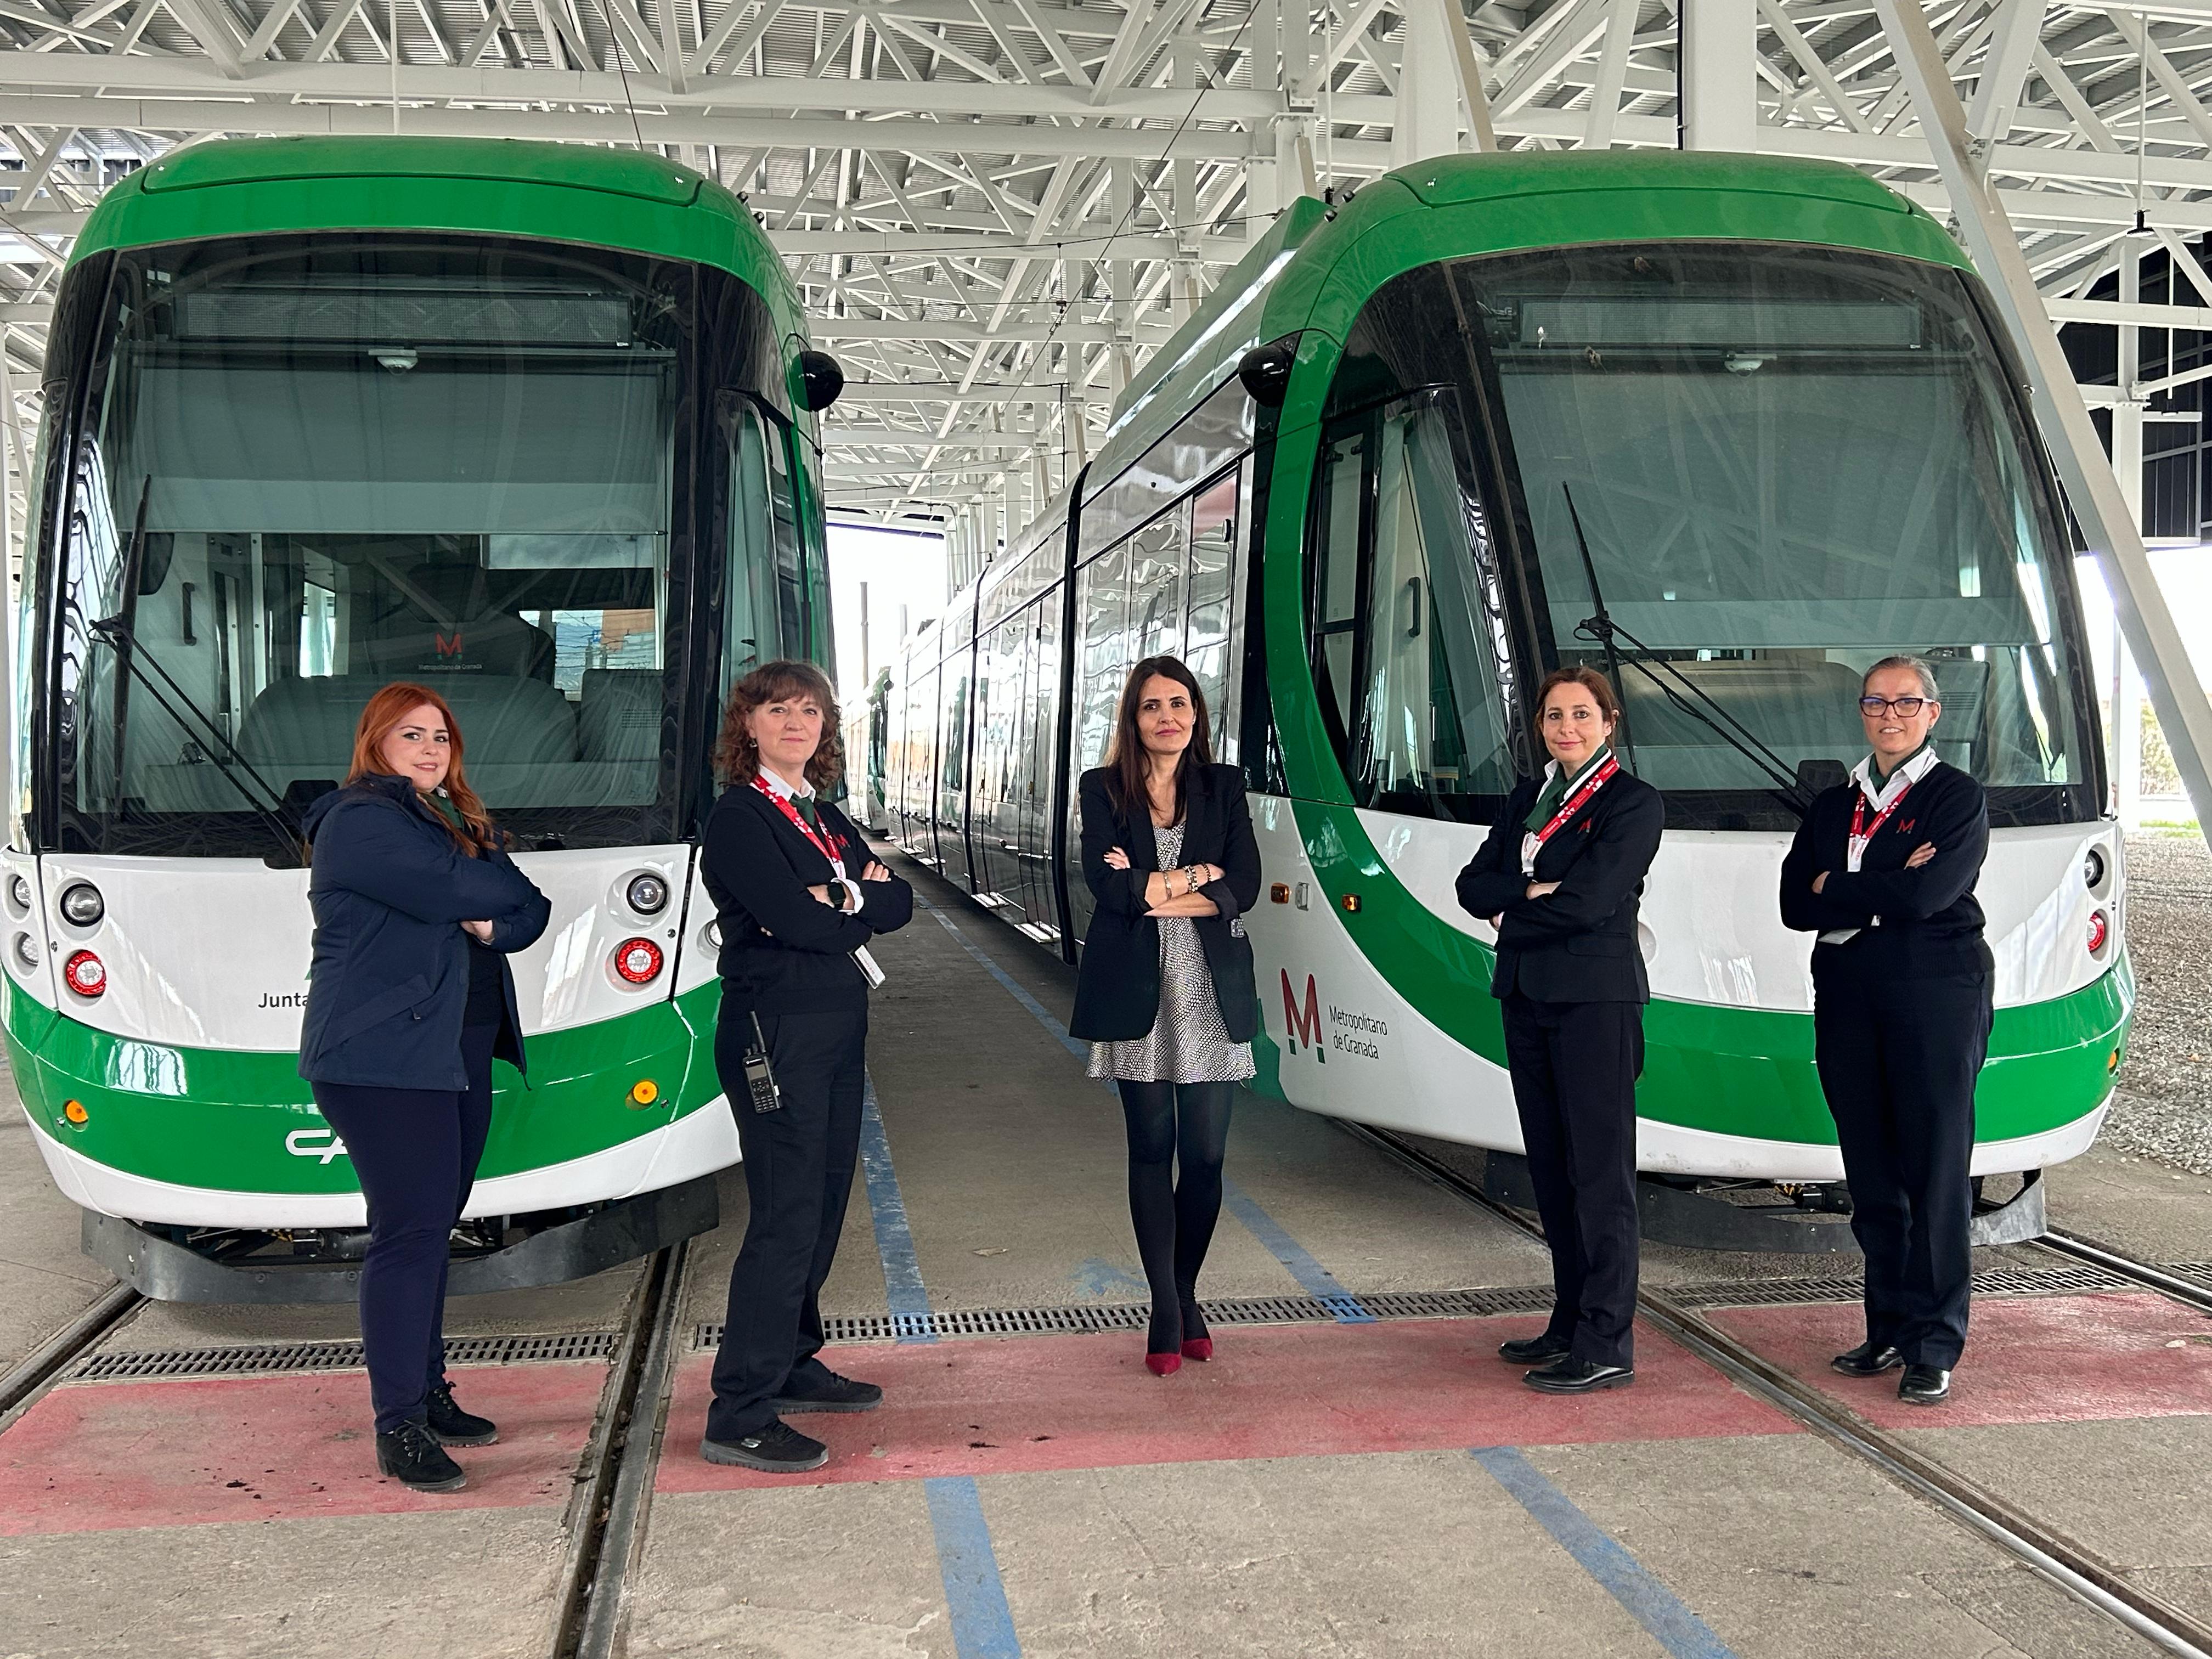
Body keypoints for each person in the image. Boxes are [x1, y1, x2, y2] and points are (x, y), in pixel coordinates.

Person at [299, 682, 551, 1493]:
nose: (431, 749)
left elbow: (532, 907)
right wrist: (484, 902)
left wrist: (489, 907)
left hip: (455, 1050)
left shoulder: (455, 821)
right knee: (409, 1232)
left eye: (441, 737)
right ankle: (397, 1423)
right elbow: (472, 893)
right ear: (377, 743)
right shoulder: (359, 822)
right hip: (380, 1058)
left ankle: (427, 1391)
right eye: (412, 736)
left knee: (434, 1223)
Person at [698, 659, 913, 1472]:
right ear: (747, 725)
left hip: (835, 1026)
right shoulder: (739, 818)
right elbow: (792, 921)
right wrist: (845, 898)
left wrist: (846, 895)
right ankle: (739, 1409)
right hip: (775, 1029)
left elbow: (899, 906)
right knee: (786, 1214)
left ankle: (791, 1358)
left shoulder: (820, 817)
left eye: (811, 710)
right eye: (779, 710)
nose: (798, 722)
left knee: (823, 1203)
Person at [1780, 655, 1991, 1408]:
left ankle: (1934, 1344)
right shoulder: (1836, 803)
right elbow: (1792, 903)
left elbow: (1933, 893)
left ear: (1934, 713)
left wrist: (1838, 886)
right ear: (1861, 712)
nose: (1890, 713)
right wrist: (1883, 884)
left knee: (1934, 1170)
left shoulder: (1955, 798)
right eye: (1876, 701)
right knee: (1869, 1171)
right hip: (1847, 994)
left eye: (1907, 702)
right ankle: (1889, 1326)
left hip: (1935, 991)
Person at [1455, 666, 1664, 1395]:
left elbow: (1591, 901)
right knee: (1552, 1169)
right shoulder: (1529, 796)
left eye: (1581, 714)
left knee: (1601, 1177)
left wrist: (1514, 913)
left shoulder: (1633, 804)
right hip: (1527, 995)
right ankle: (1570, 1320)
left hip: (1596, 1003)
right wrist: (1529, 892)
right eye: (1553, 715)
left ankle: (1607, 1341)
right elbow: (1469, 886)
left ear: (1609, 722)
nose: (1566, 727)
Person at [1070, 655, 1261, 1376]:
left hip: (1211, 991)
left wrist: (1156, 886)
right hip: (1136, 991)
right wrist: (1195, 878)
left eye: (1178, 703)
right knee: (1152, 1151)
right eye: (1152, 706)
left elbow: (1243, 882)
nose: (1167, 717)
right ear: (1134, 718)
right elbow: (1106, 890)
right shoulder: (1103, 791)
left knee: (1207, 1157)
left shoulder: (1225, 786)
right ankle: (1165, 1305)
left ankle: (1184, 1289)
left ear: (1197, 715)